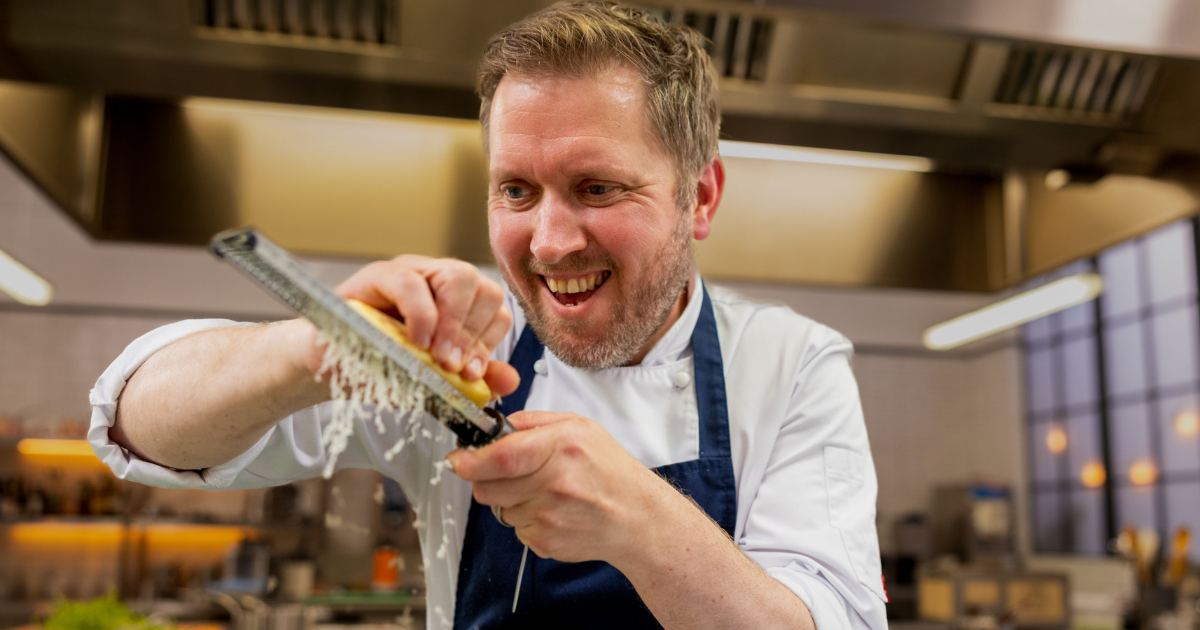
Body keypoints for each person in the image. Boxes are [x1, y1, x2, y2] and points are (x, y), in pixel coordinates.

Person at [89, 3, 887, 629]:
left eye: (598, 188)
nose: (548, 241)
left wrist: (641, 522)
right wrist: (314, 348)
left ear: (700, 196)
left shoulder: (790, 363)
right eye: (516, 190)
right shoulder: (458, 350)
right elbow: (137, 425)